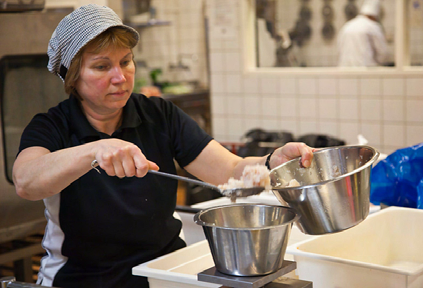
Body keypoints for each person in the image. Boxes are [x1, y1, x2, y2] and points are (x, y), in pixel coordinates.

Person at [12, 4, 314, 288]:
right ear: (73, 77)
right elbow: (26, 181)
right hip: (83, 278)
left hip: (163, 273)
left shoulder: (159, 115)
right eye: (102, 67)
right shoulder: (52, 126)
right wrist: (93, 152)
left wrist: (272, 162)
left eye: (126, 61)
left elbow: (228, 171)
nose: (120, 77)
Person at [337, 0, 388, 67]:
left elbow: (339, 51)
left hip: (345, 72)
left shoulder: (346, 26)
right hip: (366, 72)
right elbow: (383, 54)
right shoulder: (373, 27)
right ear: (374, 16)